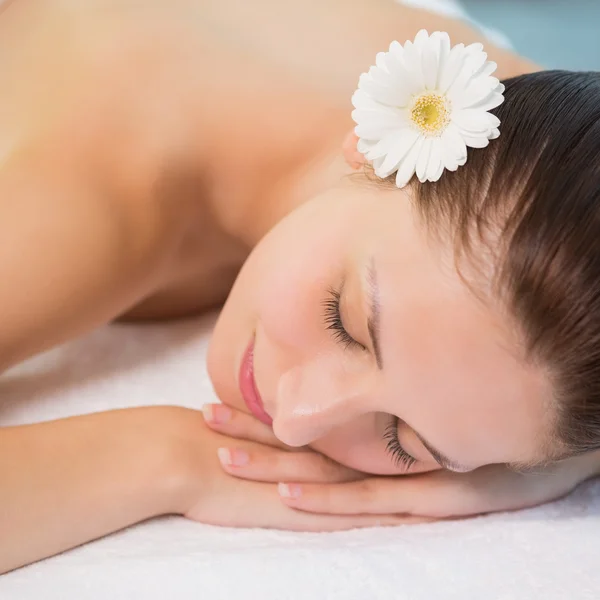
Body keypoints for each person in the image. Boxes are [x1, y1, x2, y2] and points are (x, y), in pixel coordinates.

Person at [1, 0, 599, 575]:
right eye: (344, 322)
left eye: (402, 440)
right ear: (371, 151)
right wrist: (170, 458)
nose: (295, 420)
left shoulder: (532, 163)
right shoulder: (81, 205)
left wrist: (553, 458)